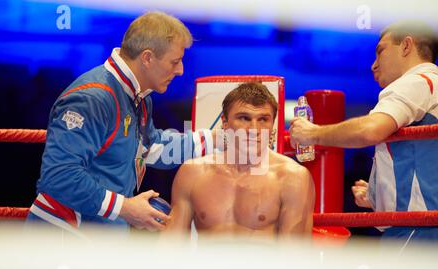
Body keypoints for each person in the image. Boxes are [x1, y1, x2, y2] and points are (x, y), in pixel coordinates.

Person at [25, 12, 217, 235]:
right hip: (63, 236)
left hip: (98, 234)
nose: (180, 70)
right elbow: (59, 177)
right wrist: (125, 207)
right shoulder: (92, 98)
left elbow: (151, 148)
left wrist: (217, 140)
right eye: (174, 61)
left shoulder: (137, 96)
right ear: (147, 58)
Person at [290, 21, 438, 245]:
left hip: (417, 230)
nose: (374, 65)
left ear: (407, 46)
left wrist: (313, 133)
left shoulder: (416, 83)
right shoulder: (431, 87)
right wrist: (378, 196)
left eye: (380, 51)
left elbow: (370, 131)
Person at [164, 82, 314, 242]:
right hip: (206, 266)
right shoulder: (193, 173)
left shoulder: (292, 178)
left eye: (263, 119)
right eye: (244, 118)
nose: (254, 129)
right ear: (225, 122)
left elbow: (294, 259)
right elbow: (172, 247)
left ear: (272, 125)